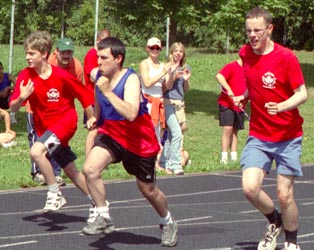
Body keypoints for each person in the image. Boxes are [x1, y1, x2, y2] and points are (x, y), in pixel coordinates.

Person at [82, 37, 178, 247]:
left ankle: (168, 221)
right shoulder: (98, 76)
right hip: (113, 135)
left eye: (104, 57)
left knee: (148, 190)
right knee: (90, 168)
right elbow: (98, 100)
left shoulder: (131, 78)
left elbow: (132, 113)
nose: (99, 61)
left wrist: (107, 90)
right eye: (98, 56)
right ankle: (103, 215)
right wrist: (95, 118)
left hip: (139, 142)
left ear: (118, 59)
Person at [234, 7, 307, 250]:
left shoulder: (286, 57)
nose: (252, 35)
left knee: (284, 194)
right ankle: (274, 220)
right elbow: (252, 84)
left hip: (288, 136)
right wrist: (243, 96)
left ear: (269, 29)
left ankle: (292, 242)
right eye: (248, 31)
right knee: (249, 187)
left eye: (257, 30)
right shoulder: (245, 53)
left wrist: (283, 106)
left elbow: (302, 94)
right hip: (260, 135)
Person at [9, 31, 96, 218]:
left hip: (66, 122)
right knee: (71, 170)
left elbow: (84, 95)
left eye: (31, 53)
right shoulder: (26, 76)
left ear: (44, 54)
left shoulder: (61, 76)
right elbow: (13, 106)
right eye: (26, 53)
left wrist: (91, 117)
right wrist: (22, 98)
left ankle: (54, 192)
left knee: (36, 152)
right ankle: (98, 204)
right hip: (46, 128)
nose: (27, 57)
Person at [29, 37, 84, 186]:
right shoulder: (47, 64)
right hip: (39, 107)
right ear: (56, 52)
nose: (66, 56)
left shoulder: (77, 67)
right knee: (37, 142)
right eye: (63, 53)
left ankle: (56, 174)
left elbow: (79, 92)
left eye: (69, 53)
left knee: (56, 144)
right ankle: (39, 172)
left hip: (59, 111)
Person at [139, 37, 176, 173]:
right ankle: (149, 162)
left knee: (159, 133)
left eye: (157, 48)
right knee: (149, 132)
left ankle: (156, 162)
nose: (155, 50)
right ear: (147, 49)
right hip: (148, 102)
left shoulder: (162, 65)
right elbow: (147, 83)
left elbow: (167, 86)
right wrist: (163, 72)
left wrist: (171, 73)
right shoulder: (145, 64)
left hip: (159, 101)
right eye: (152, 48)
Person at [159, 42, 191, 175]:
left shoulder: (185, 67)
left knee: (171, 135)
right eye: (176, 51)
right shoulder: (167, 66)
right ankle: (176, 164)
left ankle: (164, 162)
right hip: (168, 102)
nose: (178, 53)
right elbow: (166, 87)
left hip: (179, 104)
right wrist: (173, 75)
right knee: (177, 133)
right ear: (171, 53)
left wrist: (186, 79)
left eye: (181, 51)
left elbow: (185, 89)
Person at [83, 29, 110, 156]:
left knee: (101, 129)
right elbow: (94, 76)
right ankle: (89, 156)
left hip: (101, 98)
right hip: (92, 98)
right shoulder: (92, 54)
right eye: (103, 42)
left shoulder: (102, 55)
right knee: (93, 129)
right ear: (98, 40)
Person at [216, 59, 246, 164]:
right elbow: (219, 76)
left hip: (240, 104)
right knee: (228, 128)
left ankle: (233, 156)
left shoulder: (250, 68)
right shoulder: (232, 66)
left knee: (235, 130)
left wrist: (243, 99)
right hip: (227, 103)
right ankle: (224, 156)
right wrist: (229, 89)